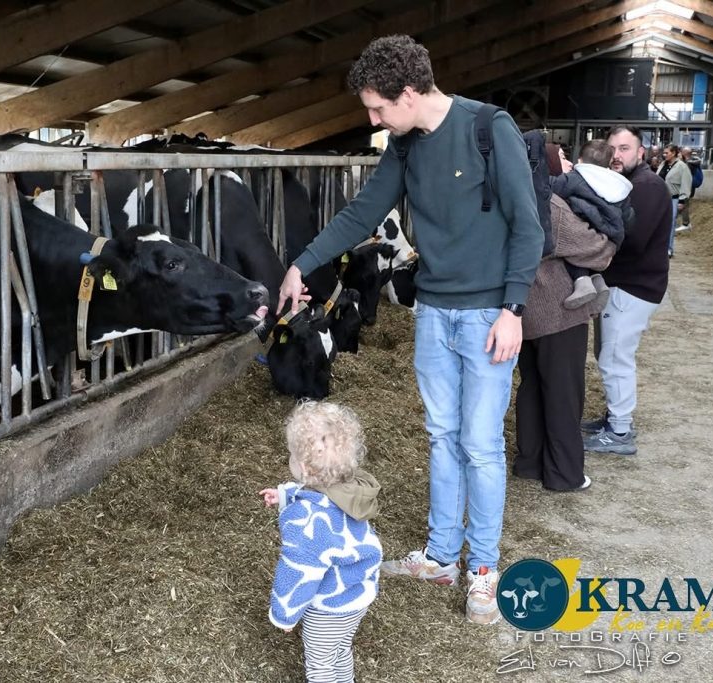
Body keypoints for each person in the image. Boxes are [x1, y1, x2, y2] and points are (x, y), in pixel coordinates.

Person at [277, 34, 544, 626]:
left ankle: (483, 570)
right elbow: (362, 213)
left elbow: (528, 224)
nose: (373, 121)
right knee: (442, 435)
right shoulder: (403, 145)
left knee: (481, 444)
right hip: (433, 311)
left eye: (378, 108)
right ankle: (442, 556)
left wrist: (514, 309)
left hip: (488, 315)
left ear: (408, 93)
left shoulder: (488, 128)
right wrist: (302, 263)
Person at [514, 147, 617, 491]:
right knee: (563, 393)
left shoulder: (515, 197)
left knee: (531, 386)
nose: (569, 163)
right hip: (558, 311)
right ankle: (564, 473)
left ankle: (530, 462)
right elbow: (597, 251)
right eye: (561, 156)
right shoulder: (551, 206)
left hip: (523, 311)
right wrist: (609, 240)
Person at [260, 401, 382, 683]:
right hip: (358, 594)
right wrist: (284, 494)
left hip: (330, 606)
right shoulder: (350, 490)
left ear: (302, 465)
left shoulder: (307, 522)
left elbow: (298, 571)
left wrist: (285, 614)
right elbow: (315, 492)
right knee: (339, 650)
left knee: (320, 664)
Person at [581, 125, 672, 456]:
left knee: (615, 356)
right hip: (624, 284)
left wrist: (589, 244)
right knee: (608, 353)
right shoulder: (628, 183)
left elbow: (632, 241)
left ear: (640, 152)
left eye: (624, 148)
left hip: (632, 286)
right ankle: (614, 418)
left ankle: (620, 431)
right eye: (613, 149)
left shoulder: (646, 187)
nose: (616, 155)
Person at [547, 139, 633, 309]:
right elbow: (628, 215)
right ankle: (598, 281)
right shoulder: (618, 184)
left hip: (586, 223)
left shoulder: (576, 178)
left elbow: (553, 186)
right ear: (609, 162)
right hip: (613, 232)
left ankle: (581, 281)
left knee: (572, 250)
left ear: (580, 160)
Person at [659, 144, 692, 258]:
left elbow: (686, 184)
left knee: (670, 223)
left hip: (674, 198)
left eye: (666, 153)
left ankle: (668, 248)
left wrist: (682, 201)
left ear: (673, 153)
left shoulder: (682, 167)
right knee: (659, 223)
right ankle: (659, 247)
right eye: (664, 153)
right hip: (661, 198)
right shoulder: (663, 164)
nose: (664, 155)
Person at [677, 146, 701, 232]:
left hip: (687, 187)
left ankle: (686, 224)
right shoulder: (691, 161)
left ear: (684, 153)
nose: (679, 153)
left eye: (681, 152)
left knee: (684, 204)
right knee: (684, 204)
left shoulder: (690, 163)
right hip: (687, 187)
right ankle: (686, 223)